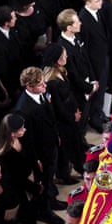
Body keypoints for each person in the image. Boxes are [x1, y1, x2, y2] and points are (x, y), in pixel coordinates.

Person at [13, 67, 68, 215]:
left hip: (51, 144)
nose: (45, 86)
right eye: (40, 84)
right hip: (40, 152)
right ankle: (46, 209)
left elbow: (51, 117)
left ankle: (52, 200)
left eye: (44, 82)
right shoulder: (22, 109)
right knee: (43, 180)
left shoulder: (42, 94)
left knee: (50, 177)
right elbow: (27, 139)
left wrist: (56, 135)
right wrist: (35, 159)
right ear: (29, 87)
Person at [42, 43, 86, 184]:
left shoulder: (61, 72)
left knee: (76, 144)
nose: (66, 56)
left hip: (71, 116)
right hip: (64, 122)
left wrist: (76, 111)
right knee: (66, 150)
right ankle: (64, 174)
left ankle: (81, 167)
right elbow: (58, 107)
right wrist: (72, 117)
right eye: (64, 55)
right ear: (57, 59)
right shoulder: (51, 83)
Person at [57, 8, 101, 133]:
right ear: (69, 28)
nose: (80, 23)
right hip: (78, 91)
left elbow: (86, 59)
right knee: (80, 120)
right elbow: (73, 75)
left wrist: (93, 80)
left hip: (88, 83)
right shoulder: (63, 48)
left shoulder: (77, 37)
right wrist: (89, 88)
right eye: (77, 22)